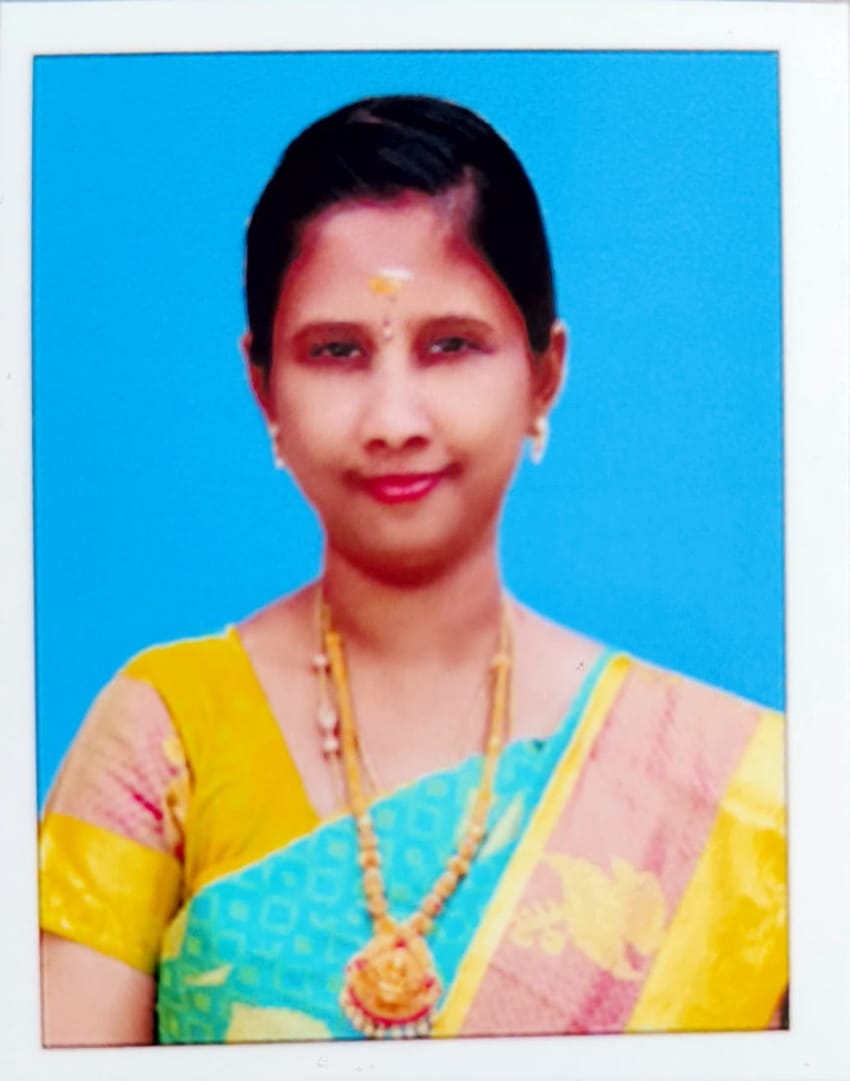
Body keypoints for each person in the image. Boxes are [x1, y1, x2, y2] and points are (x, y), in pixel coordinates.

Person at [38, 94, 787, 1046]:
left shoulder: (737, 794)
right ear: (264, 385)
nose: (394, 419)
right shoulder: (162, 740)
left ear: (544, 374)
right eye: (336, 352)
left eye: (451, 346)